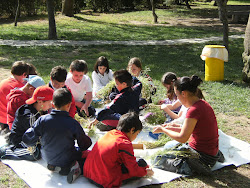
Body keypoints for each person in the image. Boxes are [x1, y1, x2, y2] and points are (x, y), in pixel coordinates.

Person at [153, 75, 224, 175]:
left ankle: (194, 167)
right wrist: (172, 127)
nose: (177, 98)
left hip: (202, 157)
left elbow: (182, 138)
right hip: (210, 152)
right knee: (169, 146)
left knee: (158, 160)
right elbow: (190, 129)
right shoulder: (202, 104)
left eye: (177, 95)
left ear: (184, 93)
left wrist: (164, 130)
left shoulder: (194, 110)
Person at [22, 88, 92, 181]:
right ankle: (76, 169)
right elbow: (85, 144)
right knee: (89, 156)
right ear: (69, 105)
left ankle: (56, 167)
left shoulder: (42, 120)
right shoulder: (72, 123)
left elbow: (28, 139)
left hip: (47, 158)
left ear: (53, 104)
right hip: (67, 158)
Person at [84, 112, 154, 187]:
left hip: (88, 173)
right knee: (141, 164)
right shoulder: (125, 143)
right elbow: (134, 170)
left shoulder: (110, 133)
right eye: (137, 134)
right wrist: (145, 172)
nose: (136, 137)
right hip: (104, 180)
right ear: (132, 130)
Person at [0, 86, 54, 161]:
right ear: (40, 102)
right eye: (49, 103)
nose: (51, 106)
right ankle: (7, 152)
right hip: (21, 140)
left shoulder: (42, 110)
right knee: (34, 154)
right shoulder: (29, 116)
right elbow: (34, 135)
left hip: (33, 138)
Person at [0, 61, 29, 133]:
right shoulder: (19, 87)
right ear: (24, 74)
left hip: (1, 117)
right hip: (9, 120)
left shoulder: (3, 82)